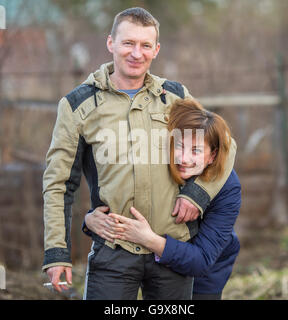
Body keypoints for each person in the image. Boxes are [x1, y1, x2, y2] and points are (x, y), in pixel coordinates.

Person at [42, 7, 236, 299]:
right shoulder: (78, 106)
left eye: (145, 45)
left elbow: (224, 145)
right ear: (111, 44)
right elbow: (59, 184)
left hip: (172, 246)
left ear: (156, 49)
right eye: (128, 43)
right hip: (114, 250)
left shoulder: (175, 97)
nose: (136, 53)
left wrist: (198, 193)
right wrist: (57, 252)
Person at [86, 98, 241, 300]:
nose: (183, 158)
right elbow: (131, 200)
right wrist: (91, 219)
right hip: (153, 257)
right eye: (179, 146)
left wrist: (148, 239)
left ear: (212, 156)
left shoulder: (228, 188)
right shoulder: (159, 162)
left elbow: (201, 260)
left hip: (205, 264)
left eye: (195, 150)